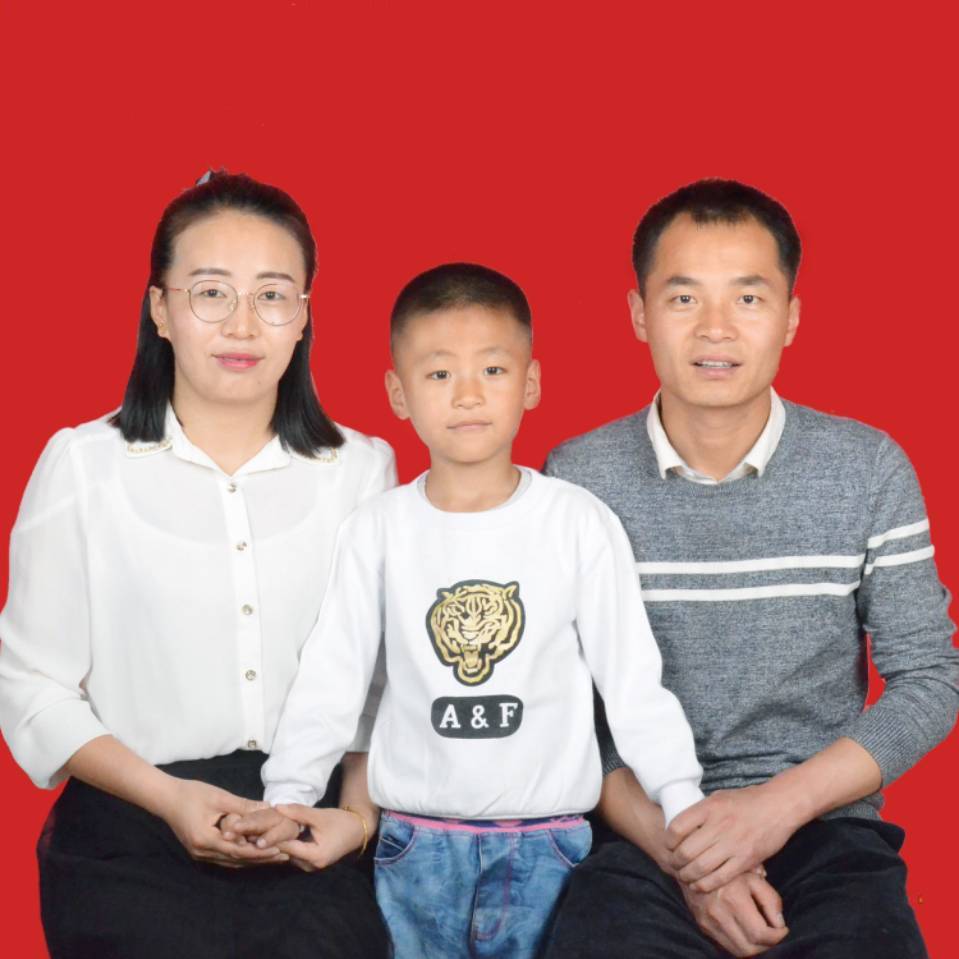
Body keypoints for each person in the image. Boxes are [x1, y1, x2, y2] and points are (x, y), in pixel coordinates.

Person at [223, 263, 704, 959]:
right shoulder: (378, 529)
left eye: (493, 370)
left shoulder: (576, 522)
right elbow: (333, 676)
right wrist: (287, 797)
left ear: (530, 383)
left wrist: (683, 803)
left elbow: (632, 683)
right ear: (398, 393)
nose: (468, 394)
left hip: (552, 844)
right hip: (412, 844)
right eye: (440, 373)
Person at [541, 179, 959, 958]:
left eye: (747, 298)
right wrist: (690, 855)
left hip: (822, 826)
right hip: (641, 833)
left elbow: (931, 679)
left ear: (790, 316)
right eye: (683, 298)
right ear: (638, 314)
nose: (715, 329)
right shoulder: (576, 479)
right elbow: (555, 704)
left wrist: (771, 810)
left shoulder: (867, 468)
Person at [0, 171, 395, 958]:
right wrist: (168, 796)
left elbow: (384, 681)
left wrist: (355, 821)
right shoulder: (83, 465)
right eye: (211, 292)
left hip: (310, 829)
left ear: (303, 316)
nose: (242, 323)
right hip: (133, 821)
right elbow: (31, 682)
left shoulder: (360, 469)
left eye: (272, 295)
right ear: (161, 309)